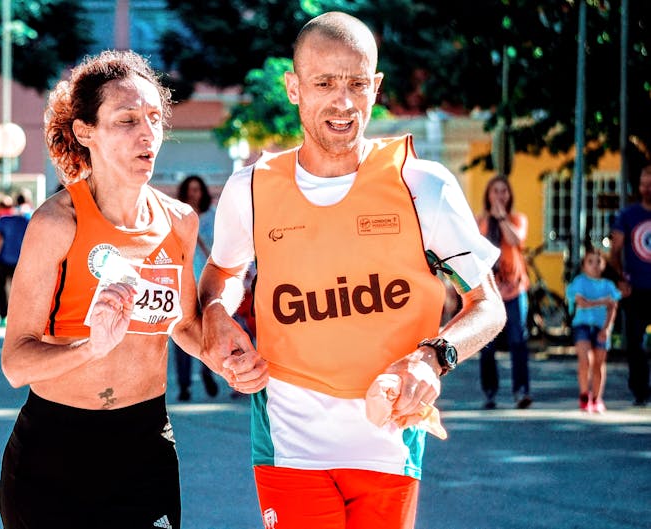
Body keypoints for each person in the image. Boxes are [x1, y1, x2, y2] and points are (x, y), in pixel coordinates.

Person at [198, 12, 505, 529]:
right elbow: (222, 274)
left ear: (376, 87)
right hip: (288, 438)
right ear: (294, 87)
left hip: (390, 436)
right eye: (324, 83)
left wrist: (433, 359)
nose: (342, 103)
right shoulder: (250, 189)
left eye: (357, 84)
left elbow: (487, 305)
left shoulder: (422, 185)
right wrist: (215, 315)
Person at [0, 50, 266, 529]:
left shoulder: (178, 221)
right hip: (55, 451)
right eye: (126, 120)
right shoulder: (57, 223)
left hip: (145, 444)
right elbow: (16, 362)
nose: (147, 134)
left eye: (154, 119)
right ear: (85, 132)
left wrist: (226, 362)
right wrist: (89, 348)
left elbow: (183, 325)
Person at [476, 175, 533, 410]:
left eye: (504, 191)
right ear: (488, 195)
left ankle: (521, 391)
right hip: (490, 290)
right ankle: (490, 391)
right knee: (487, 344)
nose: (500, 195)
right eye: (495, 191)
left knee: (518, 341)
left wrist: (501, 218)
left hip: (515, 289)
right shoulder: (480, 222)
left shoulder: (517, 219)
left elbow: (516, 240)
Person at [171, 175, 218, 401]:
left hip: (207, 282)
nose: (193, 194)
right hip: (182, 282)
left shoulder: (212, 216)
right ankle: (184, 384)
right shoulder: (175, 216)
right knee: (181, 332)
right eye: (190, 190)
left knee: (208, 331)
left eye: (197, 190)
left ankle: (208, 370)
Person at [609, 164, 651, 406]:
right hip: (635, 289)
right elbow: (615, 251)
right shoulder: (628, 215)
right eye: (644, 184)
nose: (647, 189)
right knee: (634, 342)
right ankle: (640, 389)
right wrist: (621, 279)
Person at [565, 247, 620, 413]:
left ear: (604, 265)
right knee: (585, 360)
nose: (594, 265)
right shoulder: (579, 282)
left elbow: (613, 308)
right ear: (583, 266)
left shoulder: (609, 286)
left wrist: (607, 328)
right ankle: (584, 394)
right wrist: (604, 301)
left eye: (598, 261)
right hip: (582, 325)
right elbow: (582, 302)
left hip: (601, 327)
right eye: (590, 262)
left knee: (599, 363)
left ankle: (597, 398)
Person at [0, 196, 29, 326]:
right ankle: (19, 318)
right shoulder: (28, 218)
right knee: (19, 290)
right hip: (21, 260)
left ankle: (3, 316)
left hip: (3, 259)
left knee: (0, 288)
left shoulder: (2, 220)